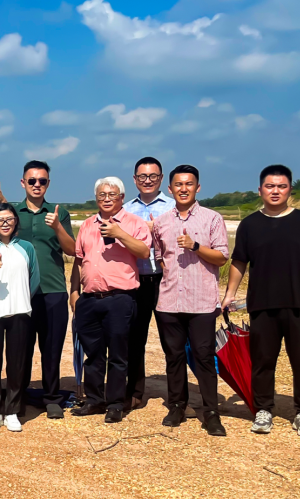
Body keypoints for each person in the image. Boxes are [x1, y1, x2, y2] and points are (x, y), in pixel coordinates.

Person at [223, 164, 300, 438]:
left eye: (281, 186)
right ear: (260, 190)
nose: (275, 191)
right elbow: (239, 261)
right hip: (263, 303)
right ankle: (263, 409)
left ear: (290, 190)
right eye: (270, 186)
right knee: (263, 361)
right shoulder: (250, 224)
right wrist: (229, 294)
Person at [152, 165, 228, 436]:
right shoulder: (161, 222)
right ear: (170, 188)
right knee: (173, 356)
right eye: (178, 184)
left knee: (204, 356)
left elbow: (222, 257)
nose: (183, 189)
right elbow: (160, 257)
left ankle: (211, 412)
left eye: (189, 184)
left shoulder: (212, 219)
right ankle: (177, 406)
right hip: (169, 300)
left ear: (198, 187)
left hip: (201, 301)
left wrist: (196, 247)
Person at [70, 177, 150, 424]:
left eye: (112, 195)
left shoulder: (134, 223)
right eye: (102, 195)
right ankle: (94, 400)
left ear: (121, 198)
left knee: (118, 354)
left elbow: (144, 252)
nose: (106, 199)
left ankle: (115, 403)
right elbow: (79, 260)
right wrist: (74, 292)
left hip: (119, 298)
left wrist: (119, 233)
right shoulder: (87, 225)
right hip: (89, 298)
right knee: (93, 354)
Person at [13, 160, 75, 419]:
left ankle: (51, 397)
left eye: (42, 181)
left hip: (53, 290)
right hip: (20, 291)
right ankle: (18, 396)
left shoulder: (59, 213)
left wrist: (57, 227)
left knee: (51, 347)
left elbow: (72, 250)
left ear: (48, 183)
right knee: (21, 348)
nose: (36, 185)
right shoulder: (13, 212)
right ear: (23, 183)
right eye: (32, 180)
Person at [0, 203, 39, 432]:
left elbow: (34, 279)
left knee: (17, 363)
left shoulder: (26, 247)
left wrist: (23, 298)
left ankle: (12, 410)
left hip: (19, 311)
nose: (5, 223)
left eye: (9, 219)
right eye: (0, 220)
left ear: (15, 222)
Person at [122, 156, 175, 410]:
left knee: (172, 340)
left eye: (153, 176)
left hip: (166, 280)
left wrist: (157, 228)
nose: (148, 181)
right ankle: (134, 391)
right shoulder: (125, 209)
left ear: (161, 178)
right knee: (134, 339)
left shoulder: (173, 207)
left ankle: (177, 396)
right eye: (142, 176)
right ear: (135, 179)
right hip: (136, 280)